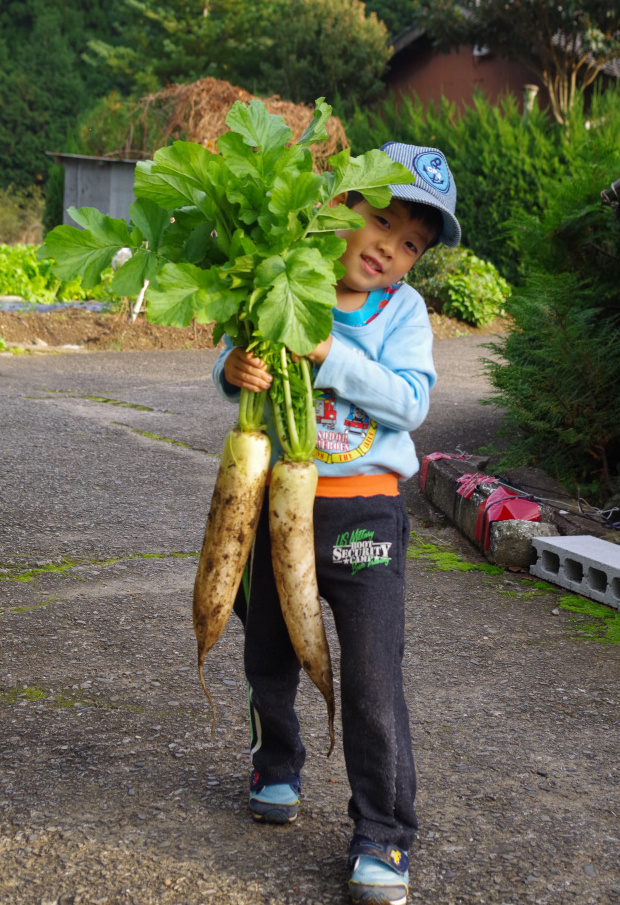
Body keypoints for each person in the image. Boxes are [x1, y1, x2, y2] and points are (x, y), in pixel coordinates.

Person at [212, 141, 461, 905]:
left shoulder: (405, 313)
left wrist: (329, 354)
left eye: (412, 242)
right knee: (268, 653)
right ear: (336, 208)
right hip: (276, 503)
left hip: (365, 512)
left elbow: (411, 401)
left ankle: (383, 832)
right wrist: (234, 371)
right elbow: (236, 352)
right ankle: (277, 765)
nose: (391, 246)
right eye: (380, 220)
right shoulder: (288, 276)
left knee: (371, 677)